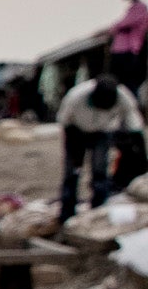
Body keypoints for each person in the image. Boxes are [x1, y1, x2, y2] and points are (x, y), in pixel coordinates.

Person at [58, 70, 144, 216]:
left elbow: (132, 117)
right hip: (76, 132)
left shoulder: (122, 96)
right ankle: (67, 212)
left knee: (100, 172)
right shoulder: (77, 96)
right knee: (72, 172)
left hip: (102, 133)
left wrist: (138, 144)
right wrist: (74, 148)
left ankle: (98, 210)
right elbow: (64, 120)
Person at [110, 0, 148, 104]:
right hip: (122, 51)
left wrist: (113, 28)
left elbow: (123, 23)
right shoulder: (133, 8)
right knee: (122, 81)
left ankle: (131, 105)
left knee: (129, 82)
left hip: (128, 50)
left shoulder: (139, 8)